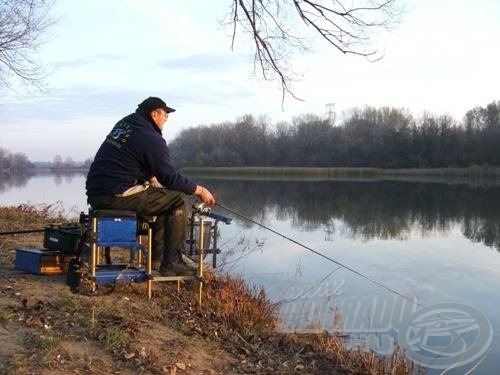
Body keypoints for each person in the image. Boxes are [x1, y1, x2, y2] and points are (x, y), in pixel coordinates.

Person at [85, 96, 215, 276]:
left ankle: (156, 259)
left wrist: (151, 176)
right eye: (165, 116)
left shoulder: (126, 124)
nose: (166, 120)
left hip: (97, 191)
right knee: (178, 200)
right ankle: (171, 263)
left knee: (164, 199)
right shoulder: (150, 137)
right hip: (116, 194)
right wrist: (200, 190)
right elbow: (170, 178)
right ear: (154, 114)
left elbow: (127, 158)